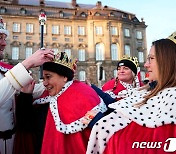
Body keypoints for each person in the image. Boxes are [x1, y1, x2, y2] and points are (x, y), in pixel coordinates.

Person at [86, 31, 176, 154]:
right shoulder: (147, 90)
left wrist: (101, 123)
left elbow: (141, 144)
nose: (146, 64)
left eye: (151, 58)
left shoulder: (173, 99)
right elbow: (116, 106)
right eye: (119, 69)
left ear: (169, 62)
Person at [14, 51, 107, 154]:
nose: (44, 83)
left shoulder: (82, 95)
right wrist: (25, 96)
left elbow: (101, 133)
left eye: (48, 77)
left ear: (64, 77)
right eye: (43, 78)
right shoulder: (46, 97)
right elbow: (28, 128)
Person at [0, 16, 54, 154]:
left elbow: (27, 90)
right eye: (0, 38)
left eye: (4, 38)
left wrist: (57, 78)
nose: (4, 44)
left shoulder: (5, 69)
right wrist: (27, 63)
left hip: (12, 140)